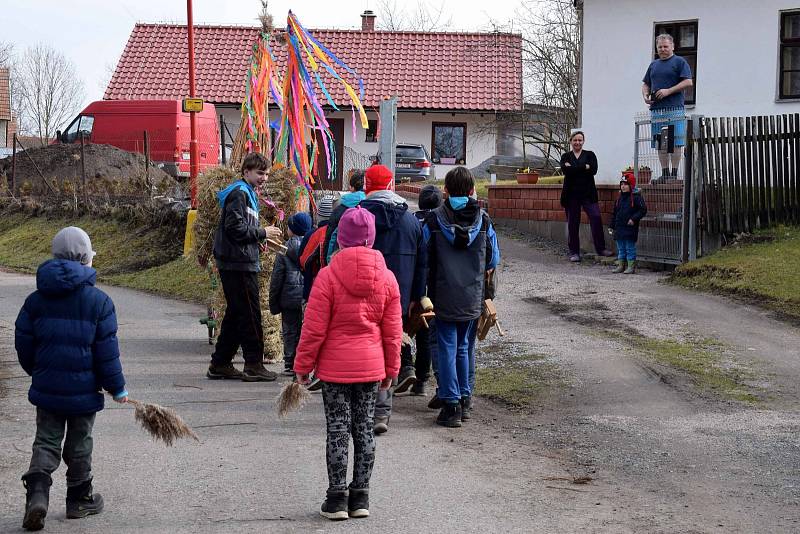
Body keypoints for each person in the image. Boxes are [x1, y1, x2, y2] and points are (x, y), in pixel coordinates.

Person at [15, 227, 128, 531]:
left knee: (47, 441)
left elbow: (23, 343)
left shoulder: (35, 300)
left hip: (48, 387)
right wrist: (116, 387)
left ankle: (37, 494)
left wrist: (38, 372)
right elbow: (107, 354)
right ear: (87, 261)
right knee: (80, 444)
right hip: (83, 392)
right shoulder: (100, 302)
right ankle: (79, 499)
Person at [294, 206, 402, 521]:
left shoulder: (327, 276)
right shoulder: (387, 278)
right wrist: (392, 369)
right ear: (371, 240)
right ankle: (361, 497)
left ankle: (336, 498)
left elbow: (313, 328)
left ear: (340, 238)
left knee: (338, 428)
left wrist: (303, 365)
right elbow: (393, 332)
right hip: (371, 367)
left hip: (334, 369)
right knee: (364, 428)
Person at [424, 167, 500, 427]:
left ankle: (451, 403)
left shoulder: (434, 221)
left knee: (446, 347)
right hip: (473, 294)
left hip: (442, 294)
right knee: (466, 347)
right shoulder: (484, 220)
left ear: (446, 190)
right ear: (471, 190)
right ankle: (465, 399)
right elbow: (493, 258)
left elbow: (424, 256)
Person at [360, 164, 426, 434]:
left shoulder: (359, 216)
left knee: (365, 349)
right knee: (390, 350)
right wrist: (416, 296)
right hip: (398, 297)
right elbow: (423, 263)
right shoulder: (410, 220)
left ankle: (363, 406)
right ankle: (382, 411)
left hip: (363, 297)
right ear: (390, 186)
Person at [207, 152, 283, 382]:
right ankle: (253, 364)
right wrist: (262, 232)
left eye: (267, 173)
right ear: (246, 172)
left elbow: (239, 229)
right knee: (250, 314)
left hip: (238, 260)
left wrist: (259, 240)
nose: (264, 178)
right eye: (260, 173)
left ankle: (220, 363)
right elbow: (234, 228)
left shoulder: (245, 193)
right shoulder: (239, 194)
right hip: (237, 263)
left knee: (235, 313)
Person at [642, 33, 693, 182]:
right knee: (660, 142)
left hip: (675, 108)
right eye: (660, 47)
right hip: (657, 109)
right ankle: (664, 173)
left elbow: (688, 82)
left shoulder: (679, 62)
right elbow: (645, 84)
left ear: (672, 46)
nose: (663, 49)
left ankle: (674, 173)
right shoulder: (653, 65)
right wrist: (645, 96)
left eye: (665, 46)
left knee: (676, 141)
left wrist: (668, 91)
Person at [269, 212, 313, 375]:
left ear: (292, 230)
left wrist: (273, 303)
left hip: (288, 298)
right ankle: (304, 364)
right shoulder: (312, 248)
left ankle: (290, 362)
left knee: (289, 330)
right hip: (307, 296)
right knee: (305, 330)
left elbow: (276, 279)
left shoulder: (283, 251)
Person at [559, 131, 613, 262]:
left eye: (580, 140)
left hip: (588, 194)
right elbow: (566, 171)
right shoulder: (566, 156)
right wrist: (584, 168)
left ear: (583, 141)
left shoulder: (590, 155)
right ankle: (574, 252)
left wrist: (574, 168)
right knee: (573, 223)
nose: (577, 142)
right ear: (571, 141)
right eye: (575, 140)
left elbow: (593, 170)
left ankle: (601, 249)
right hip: (571, 195)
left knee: (595, 218)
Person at [411, 185, 444, 398]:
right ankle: (422, 380)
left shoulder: (414, 221)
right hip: (436, 285)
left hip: (414, 282)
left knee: (407, 329)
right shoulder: (443, 220)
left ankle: (406, 372)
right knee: (428, 333)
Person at [323, 170, 366, 264]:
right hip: (364, 259)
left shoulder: (339, 210)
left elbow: (330, 237)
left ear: (351, 187)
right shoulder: (369, 208)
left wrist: (327, 262)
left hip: (340, 258)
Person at [611, 171, 648, 275]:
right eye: (621, 184)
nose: (623, 187)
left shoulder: (636, 197)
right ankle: (621, 265)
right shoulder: (619, 199)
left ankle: (631, 266)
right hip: (619, 227)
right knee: (621, 247)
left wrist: (633, 219)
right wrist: (612, 225)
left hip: (630, 227)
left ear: (631, 185)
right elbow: (615, 213)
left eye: (625, 184)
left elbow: (643, 210)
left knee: (629, 247)